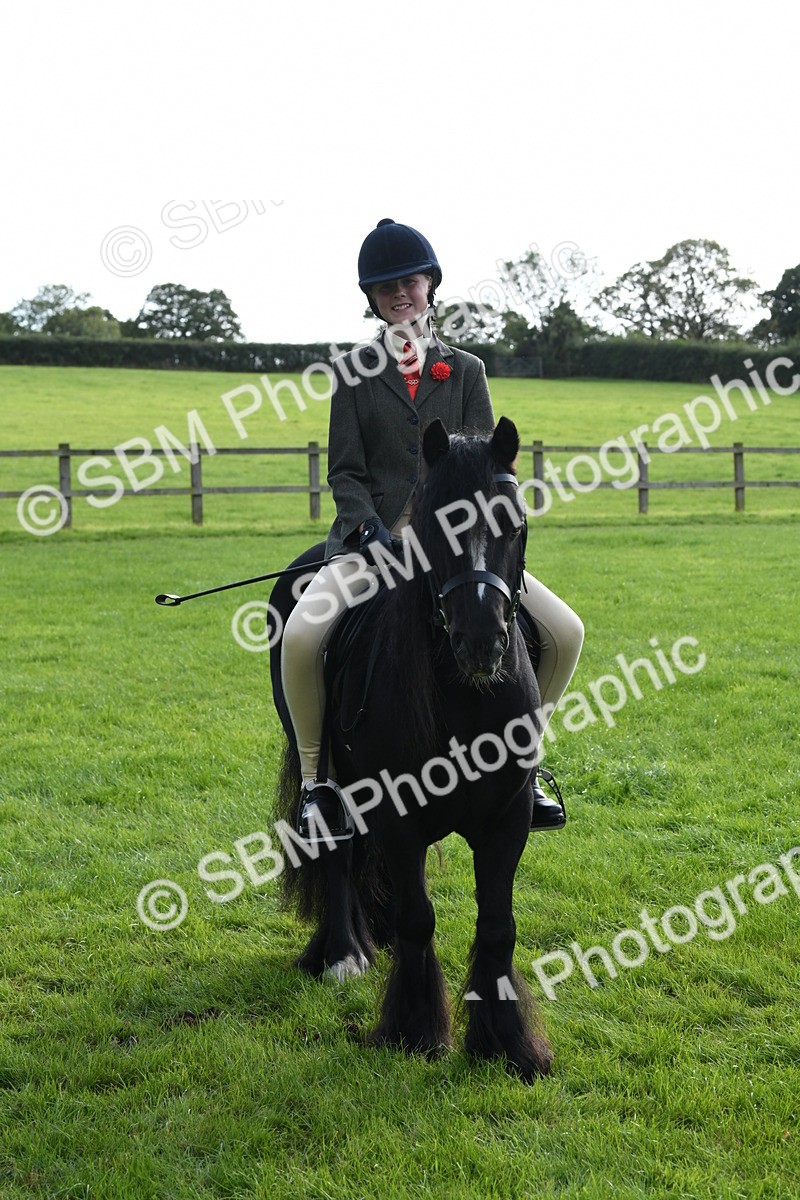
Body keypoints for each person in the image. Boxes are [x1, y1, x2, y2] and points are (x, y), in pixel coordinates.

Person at [280, 219, 584, 841]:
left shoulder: (465, 370)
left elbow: (483, 463)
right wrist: (367, 531)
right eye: (386, 287)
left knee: (567, 633)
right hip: (372, 549)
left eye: (409, 283)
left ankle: (528, 763)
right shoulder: (352, 373)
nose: (400, 295)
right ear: (371, 298)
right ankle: (318, 787)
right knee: (302, 637)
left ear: (430, 287)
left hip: (457, 547)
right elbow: (346, 472)